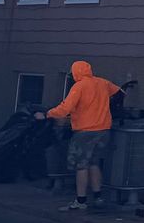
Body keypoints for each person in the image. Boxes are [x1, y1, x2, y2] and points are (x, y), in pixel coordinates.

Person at [35, 61, 120, 211]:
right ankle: (98, 197)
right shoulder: (102, 82)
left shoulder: (79, 86)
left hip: (85, 131)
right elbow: (120, 93)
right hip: (103, 130)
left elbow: (65, 108)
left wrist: (47, 114)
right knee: (94, 163)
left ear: (76, 72)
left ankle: (81, 201)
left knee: (82, 165)